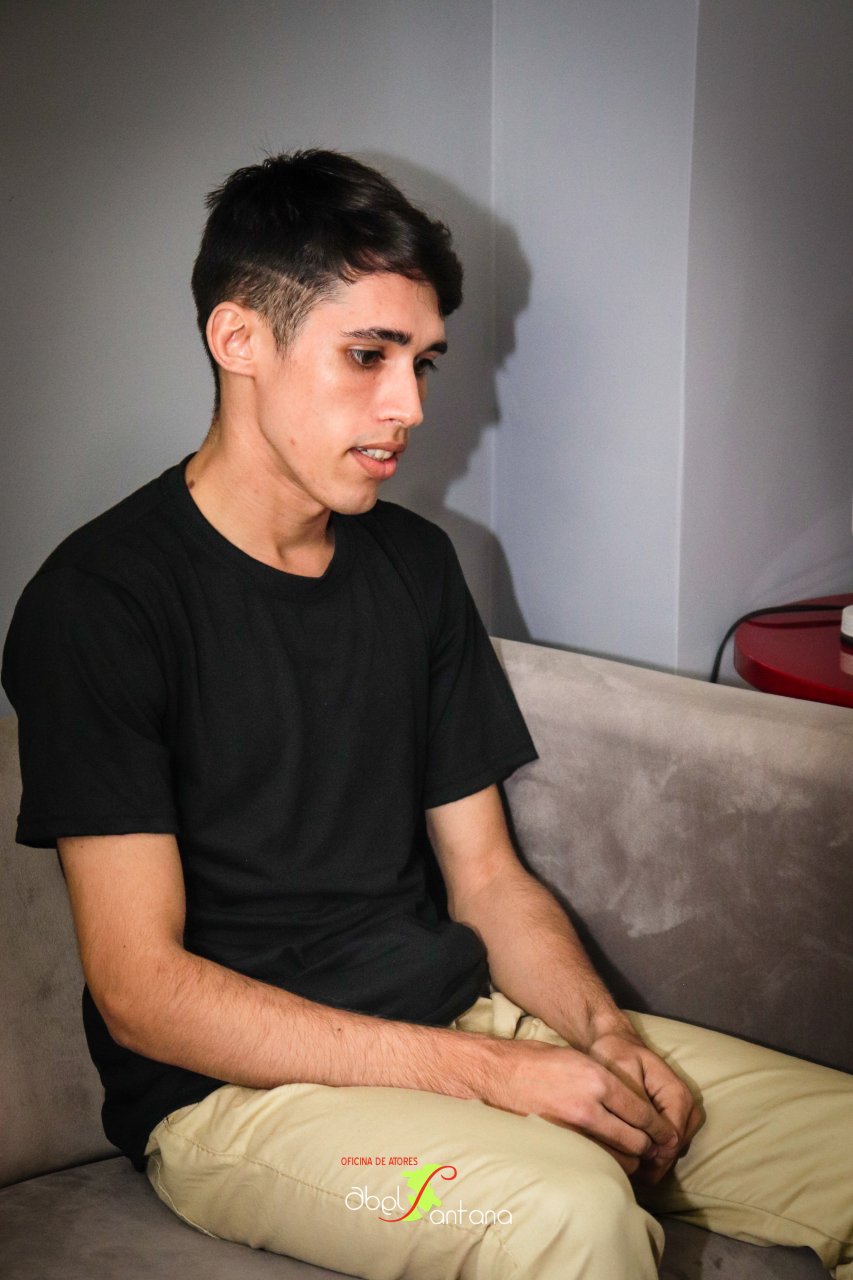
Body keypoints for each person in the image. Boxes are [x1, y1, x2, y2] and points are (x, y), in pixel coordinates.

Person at [2, 150, 850, 1280]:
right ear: (239, 338)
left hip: (465, 1014)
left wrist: (602, 1035)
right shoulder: (99, 603)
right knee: (565, 1213)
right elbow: (141, 992)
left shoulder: (414, 562)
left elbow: (487, 878)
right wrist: (495, 1079)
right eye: (368, 355)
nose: (409, 407)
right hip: (239, 1107)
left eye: (423, 361)